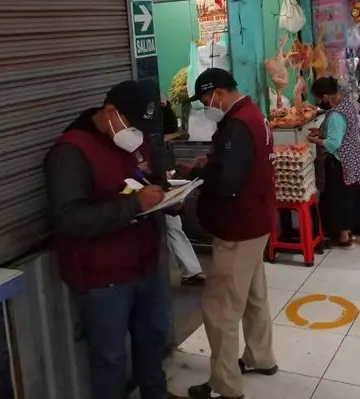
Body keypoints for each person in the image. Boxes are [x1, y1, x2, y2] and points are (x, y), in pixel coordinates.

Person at [43, 80, 172, 399]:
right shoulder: (70, 152)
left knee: (153, 344)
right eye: (134, 125)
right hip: (104, 280)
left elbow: (148, 179)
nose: (139, 135)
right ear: (110, 112)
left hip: (146, 265)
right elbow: (70, 218)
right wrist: (134, 205)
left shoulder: (134, 142)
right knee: (110, 360)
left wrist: (169, 194)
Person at [181, 68, 278, 399]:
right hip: (257, 221)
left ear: (219, 94)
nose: (206, 106)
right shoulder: (255, 117)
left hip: (238, 229)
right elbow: (241, 166)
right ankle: (260, 356)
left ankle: (226, 384)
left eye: (206, 99)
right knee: (254, 296)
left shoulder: (236, 127)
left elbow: (226, 182)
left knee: (220, 309)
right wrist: (212, 163)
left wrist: (204, 173)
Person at [307, 77, 360, 248]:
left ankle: (342, 237)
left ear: (325, 97)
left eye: (318, 99)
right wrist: (321, 131)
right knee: (349, 197)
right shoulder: (346, 105)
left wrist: (313, 140)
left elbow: (333, 143)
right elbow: (341, 129)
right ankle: (348, 232)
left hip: (340, 163)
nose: (317, 102)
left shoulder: (335, 115)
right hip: (352, 159)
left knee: (338, 199)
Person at [160, 100, 206, 285]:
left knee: (173, 223)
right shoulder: (140, 141)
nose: (169, 140)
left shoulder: (158, 143)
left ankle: (191, 271)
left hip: (163, 188)